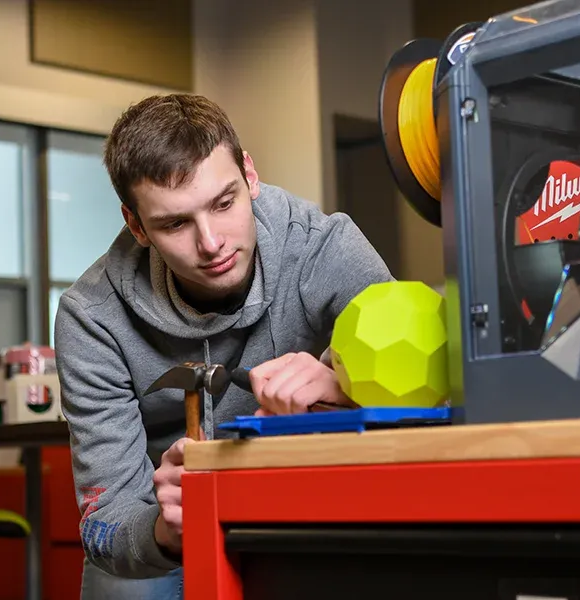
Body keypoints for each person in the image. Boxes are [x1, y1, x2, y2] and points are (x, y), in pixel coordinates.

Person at [54, 93, 393, 599]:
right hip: (165, 529)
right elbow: (105, 524)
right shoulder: (91, 317)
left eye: (224, 202)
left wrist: (346, 385)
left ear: (249, 175)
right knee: (126, 587)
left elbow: (435, 392)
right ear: (137, 225)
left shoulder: (322, 247)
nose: (211, 243)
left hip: (301, 510)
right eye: (175, 223)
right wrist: (163, 530)